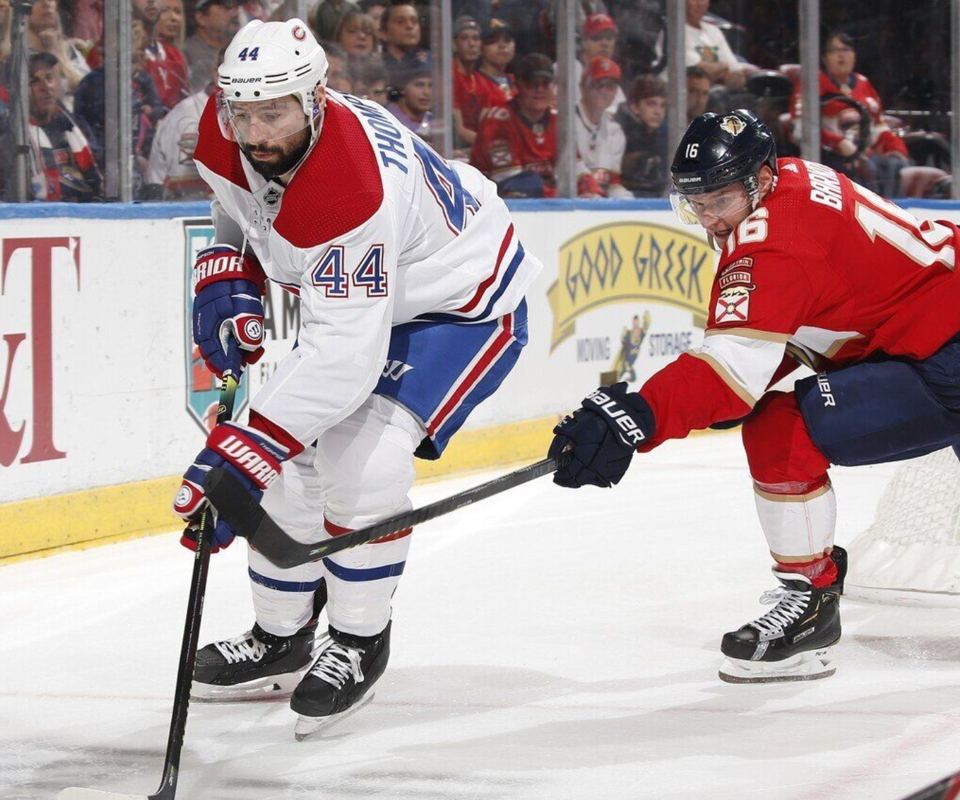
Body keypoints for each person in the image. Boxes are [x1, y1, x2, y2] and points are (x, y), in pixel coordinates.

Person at [176, 18, 541, 736]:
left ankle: (357, 640)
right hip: (370, 298)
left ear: (316, 99)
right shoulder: (227, 131)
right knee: (287, 469)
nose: (254, 131)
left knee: (359, 459)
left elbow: (344, 362)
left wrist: (245, 447)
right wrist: (226, 261)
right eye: (240, 111)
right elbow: (236, 201)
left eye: (272, 112)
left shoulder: (349, 185)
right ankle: (282, 636)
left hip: (458, 307)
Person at [549, 108, 960, 684]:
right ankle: (809, 597)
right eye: (697, 202)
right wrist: (731, 388)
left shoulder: (771, 244)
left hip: (942, 355)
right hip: (933, 332)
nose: (709, 217)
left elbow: (730, 370)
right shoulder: (793, 177)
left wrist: (635, 416)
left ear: (760, 179)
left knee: (780, 428)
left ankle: (811, 604)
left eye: (719, 200)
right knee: (777, 420)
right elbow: (811, 321)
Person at [790, 30, 910, 198]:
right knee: (868, 170)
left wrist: (895, 148)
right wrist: (838, 143)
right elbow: (801, 128)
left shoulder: (863, 83)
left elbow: (878, 126)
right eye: (834, 51)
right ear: (824, 58)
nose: (841, 56)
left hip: (864, 153)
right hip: (829, 156)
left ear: (854, 55)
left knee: (896, 166)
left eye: (846, 50)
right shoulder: (812, 82)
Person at [471, 52, 599, 198]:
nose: (539, 89)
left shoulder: (558, 119)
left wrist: (590, 188)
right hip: (493, 202)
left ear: (553, 85)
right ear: (517, 85)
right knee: (530, 183)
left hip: (545, 196)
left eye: (545, 83)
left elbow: (575, 167)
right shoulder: (497, 122)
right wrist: (564, 196)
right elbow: (513, 182)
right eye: (532, 83)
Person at [22, 52, 101, 200]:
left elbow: (99, 171)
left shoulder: (74, 125)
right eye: (34, 81)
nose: (45, 87)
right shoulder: (13, 136)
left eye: (49, 78)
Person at [143, 54, 216, 199]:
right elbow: (187, 190)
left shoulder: (241, 112)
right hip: (168, 208)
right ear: (219, 75)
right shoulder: (190, 118)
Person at [575, 56, 630, 198]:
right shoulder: (566, 124)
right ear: (582, 88)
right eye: (598, 84)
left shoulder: (615, 131)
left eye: (610, 86)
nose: (604, 91)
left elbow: (613, 182)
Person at [616, 74, 667, 197]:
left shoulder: (666, 135)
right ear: (634, 107)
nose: (658, 111)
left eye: (663, 105)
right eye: (651, 104)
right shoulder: (618, 131)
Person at [683, 0, 744, 90]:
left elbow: (739, 76)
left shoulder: (714, 31)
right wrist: (723, 67)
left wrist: (713, 73)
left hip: (721, 95)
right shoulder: (674, 33)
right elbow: (696, 74)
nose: (700, 3)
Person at [184, 0, 239, 93]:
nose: (235, 13)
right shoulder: (187, 52)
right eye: (225, 7)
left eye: (236, 7)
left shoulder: (238, 50)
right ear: (201, 18)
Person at [574, 13, 625, 112]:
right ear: (584, 40)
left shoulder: (611, 72)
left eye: (609, 38)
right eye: (597, 38)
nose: (604, 43)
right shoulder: (570, 67)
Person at [451, 16, 484, 149]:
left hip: (477, 147)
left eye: (476, 38)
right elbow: (459, 132)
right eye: (465, 38)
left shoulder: (481, 81)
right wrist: (488, 144)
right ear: (454, 44)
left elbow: (484, 126)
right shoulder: (450, 76)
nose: (471, 44)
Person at [379, 2, 426, 85]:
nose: (409, 26)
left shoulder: (432, 63)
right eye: (400, 22)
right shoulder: (374, 65)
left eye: (414, 21)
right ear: (384, 33)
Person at [475, 18, 516, 108]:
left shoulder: (519, 82)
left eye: (507, 40)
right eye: (493, 41)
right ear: (481, 48)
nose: (502, 45)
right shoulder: (473, 83)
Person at [387, 61, 432, 140]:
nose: (426, 92)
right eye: (419, 85)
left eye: (431, 85)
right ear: (402, 87)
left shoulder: (434, 120)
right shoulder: (388, 119)